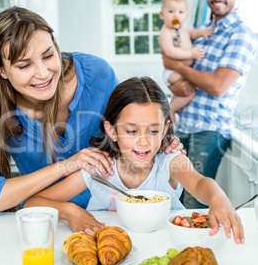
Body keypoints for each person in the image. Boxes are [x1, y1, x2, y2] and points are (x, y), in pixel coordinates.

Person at [0, 6, 183, 232]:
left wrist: (161, 138)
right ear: (1, 70)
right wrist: (66, 175)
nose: (43, 73)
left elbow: (132, 122)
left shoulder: (96, 73)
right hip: (47, 221)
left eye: (48, 55)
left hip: (111, 218)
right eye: (24, 65)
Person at [26, 77, 244, 244]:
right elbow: (32, 204)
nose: (143, 142)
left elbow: (197, 182)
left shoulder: (169, 162)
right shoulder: (99, 168)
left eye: (153, 131)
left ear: (165, 129)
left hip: (164, 248)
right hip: (111, 250)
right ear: (112, 131)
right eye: (131, 131)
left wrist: (218, 199)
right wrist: (70, 211)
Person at [161, 0, 257, 209]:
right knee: (174, 196)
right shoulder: (202, 30)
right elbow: (167, 61)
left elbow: (217, 86)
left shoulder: (241, 34)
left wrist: (180, 69)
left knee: (195, 200)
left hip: (210, 130)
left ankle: (198, 248)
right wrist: (177, 81)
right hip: (184, 124)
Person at [159, 0, 214, 124]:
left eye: (181, 12)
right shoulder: (166, 32)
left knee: (183, 92)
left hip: (180, 71)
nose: (176, 15)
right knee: (190, 92)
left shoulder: (182, 29)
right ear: (162, 15)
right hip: (172, 73)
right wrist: (191, 54)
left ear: (186, 16)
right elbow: (170, 51)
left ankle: (172, 108)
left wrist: (203, 33)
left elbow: (192, 34)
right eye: (171, 11)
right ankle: (171, 110)